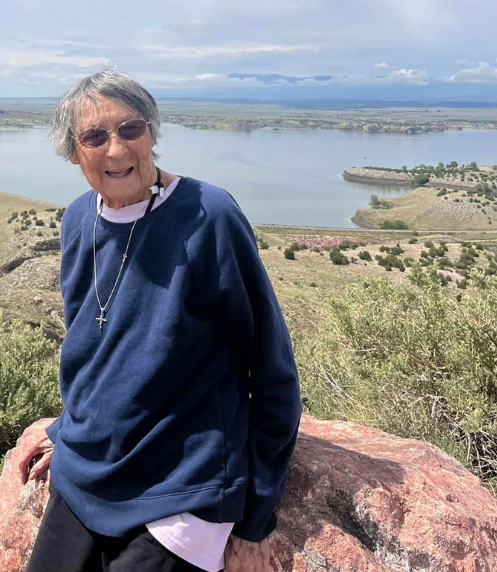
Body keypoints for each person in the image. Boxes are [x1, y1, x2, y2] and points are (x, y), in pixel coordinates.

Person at [18, 68, 301, 572]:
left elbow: (272, 365)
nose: (118, 151)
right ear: (72, 150)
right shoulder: (79, 219)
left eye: (131, 128)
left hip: (182, 487)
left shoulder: (207, 216)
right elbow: (97, 354)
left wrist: (257, 514)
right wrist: (65, 430)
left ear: (151, 130)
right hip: (89, 472)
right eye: (94, 137)